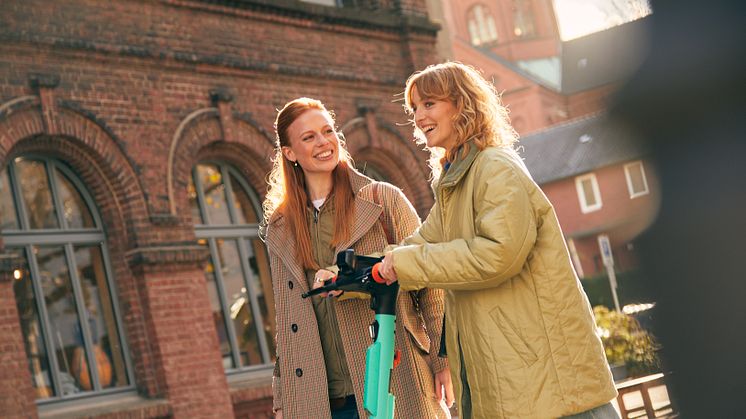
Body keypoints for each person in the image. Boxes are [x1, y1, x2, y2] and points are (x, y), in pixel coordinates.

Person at [377, 62, 619, 418]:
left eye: (429, 104)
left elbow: (497, 256)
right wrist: (351, 273)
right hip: (512, 380)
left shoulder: (496, 168)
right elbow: (418, 245)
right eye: (414, 108)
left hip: (550, 384)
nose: (418, 116)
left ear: (461, 104)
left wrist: (402, 264)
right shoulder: (455, 184)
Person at [262, 97, 453, 419]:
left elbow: (430, 287)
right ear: (290, 153)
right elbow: (286, 317)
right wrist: (282, 398)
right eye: (309, 137)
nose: (323, 143)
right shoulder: (280, 226)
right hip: (317, 395)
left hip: (393, 375)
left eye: (327, 131)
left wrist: (442, 360)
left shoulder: (383, 199)